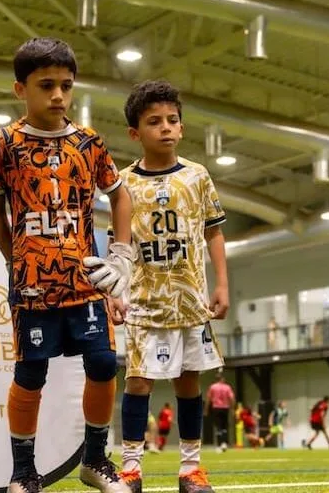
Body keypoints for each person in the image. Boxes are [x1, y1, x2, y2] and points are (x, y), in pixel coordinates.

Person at [0, 37, 134, 493]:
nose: (58, 96)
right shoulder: (3, 143)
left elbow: (120, 196)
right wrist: (13, 258)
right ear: (20, 89)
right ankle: (23, 472)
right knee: (31, 373)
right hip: (32, 285)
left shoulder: (89, 143)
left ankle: (94, 460)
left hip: (85, 282)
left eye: (66, 85)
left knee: (103, 364)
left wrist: (121, 257)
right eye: (46, 85)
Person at [111, 81, 229, 493]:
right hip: (143, 301)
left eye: (172, 120)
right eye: (154, 121)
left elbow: (214, 232)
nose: (165, 127)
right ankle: (130, 469)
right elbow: (119, 243)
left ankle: (191, 469)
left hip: (190, 300)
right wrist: (115, 292)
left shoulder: (197, 176)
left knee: (188, 383)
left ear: (181, 127)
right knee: (137, 382)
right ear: (135, 133)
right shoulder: (123, 182)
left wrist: (222, 284)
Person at [205, 372, 235, 453]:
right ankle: (224, 443)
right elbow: (232, 398)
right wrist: (232, 408)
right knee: (224, 427)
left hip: (216, 408)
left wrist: (206, 409)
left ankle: (219, 445)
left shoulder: (213, 387)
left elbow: (208, 399)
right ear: (222, 379)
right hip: (225, 408)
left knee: (218, 427)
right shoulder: (227, 387)